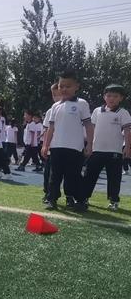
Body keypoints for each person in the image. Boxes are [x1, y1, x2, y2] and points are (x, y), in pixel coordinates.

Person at [41, 69, 93, 212]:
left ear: (76, 86)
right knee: (54, 175)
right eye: (61, 86)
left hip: (75, 148)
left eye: (68, 86)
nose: (63, 89)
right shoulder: (55, 107)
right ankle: (52, 199)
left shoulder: (82, 103)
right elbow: (50, 128)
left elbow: (88, 125)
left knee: (73, 176)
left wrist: (90, 144)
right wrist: (45, 145)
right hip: (56, 147)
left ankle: (79, 200)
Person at [83, 84, 131, 211]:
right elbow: (91, 129)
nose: (112, 99)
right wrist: (89, 144)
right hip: (97, 150)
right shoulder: (97, 111)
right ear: (104, 96)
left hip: (114, 151)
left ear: (121, 98)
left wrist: (128, 147)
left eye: (115, 96)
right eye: (109, 95)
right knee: (90, 175)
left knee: (114, 178)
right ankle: (84, 197)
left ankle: (114, 201)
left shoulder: (123, 113)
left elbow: (127, 131)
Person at [41, 83, 62, 204]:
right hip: (51, 147)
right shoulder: (50, 111)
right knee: (48, 173)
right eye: (54, 95)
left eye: (58, 95)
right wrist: (45, 145)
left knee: (64, 174)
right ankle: (48, 193)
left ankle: (70, 196)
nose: (56, 98)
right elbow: (46, 129)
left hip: (64, 146)